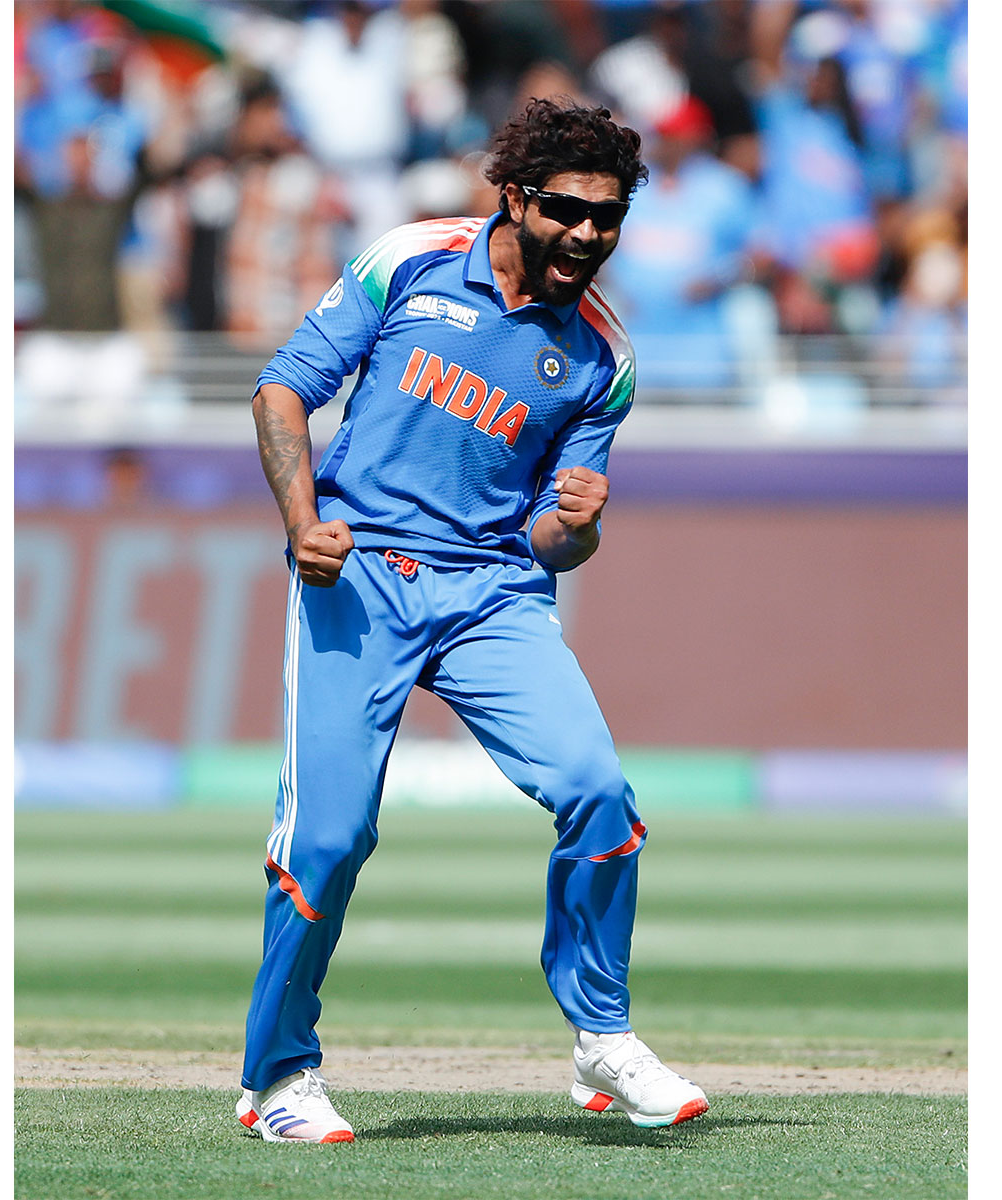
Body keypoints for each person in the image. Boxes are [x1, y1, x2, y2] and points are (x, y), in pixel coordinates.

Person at [235, 97, 708, 1144]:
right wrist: (304, 522)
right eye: (567, 210)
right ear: (515, 198)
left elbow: (552, 541)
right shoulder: (411, 260)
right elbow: (282, 393)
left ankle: (601, 1037)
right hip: (361, 574)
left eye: (608, 217)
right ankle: (277, 1079)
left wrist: (578, 526)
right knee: (327, 838)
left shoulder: (604, 359)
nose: (587, 234)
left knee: (598, 794)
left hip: (492, 590)